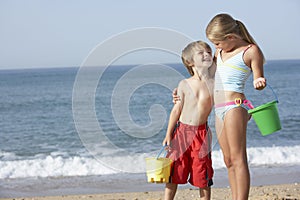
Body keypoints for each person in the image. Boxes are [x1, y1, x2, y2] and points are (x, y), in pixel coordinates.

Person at [205, 13, 266, 200]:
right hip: (219, 108)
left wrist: (259, 81)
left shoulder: (250, 51)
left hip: (235, 106)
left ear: (230, 37)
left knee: (239, 159)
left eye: (218, 42)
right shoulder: (219, 53)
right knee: (228, 160)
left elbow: (258, 76)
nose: (216, 46)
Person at [163, 41, 214, 200]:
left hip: (202, 133)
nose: (206, 54)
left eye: (208, 51)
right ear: (190, 62)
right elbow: (176, 110)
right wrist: (168, 134)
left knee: (203, 175)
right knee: (174, 172)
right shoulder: (184, 84)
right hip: (182, 133)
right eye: (201, 53)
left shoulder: (214, 83)